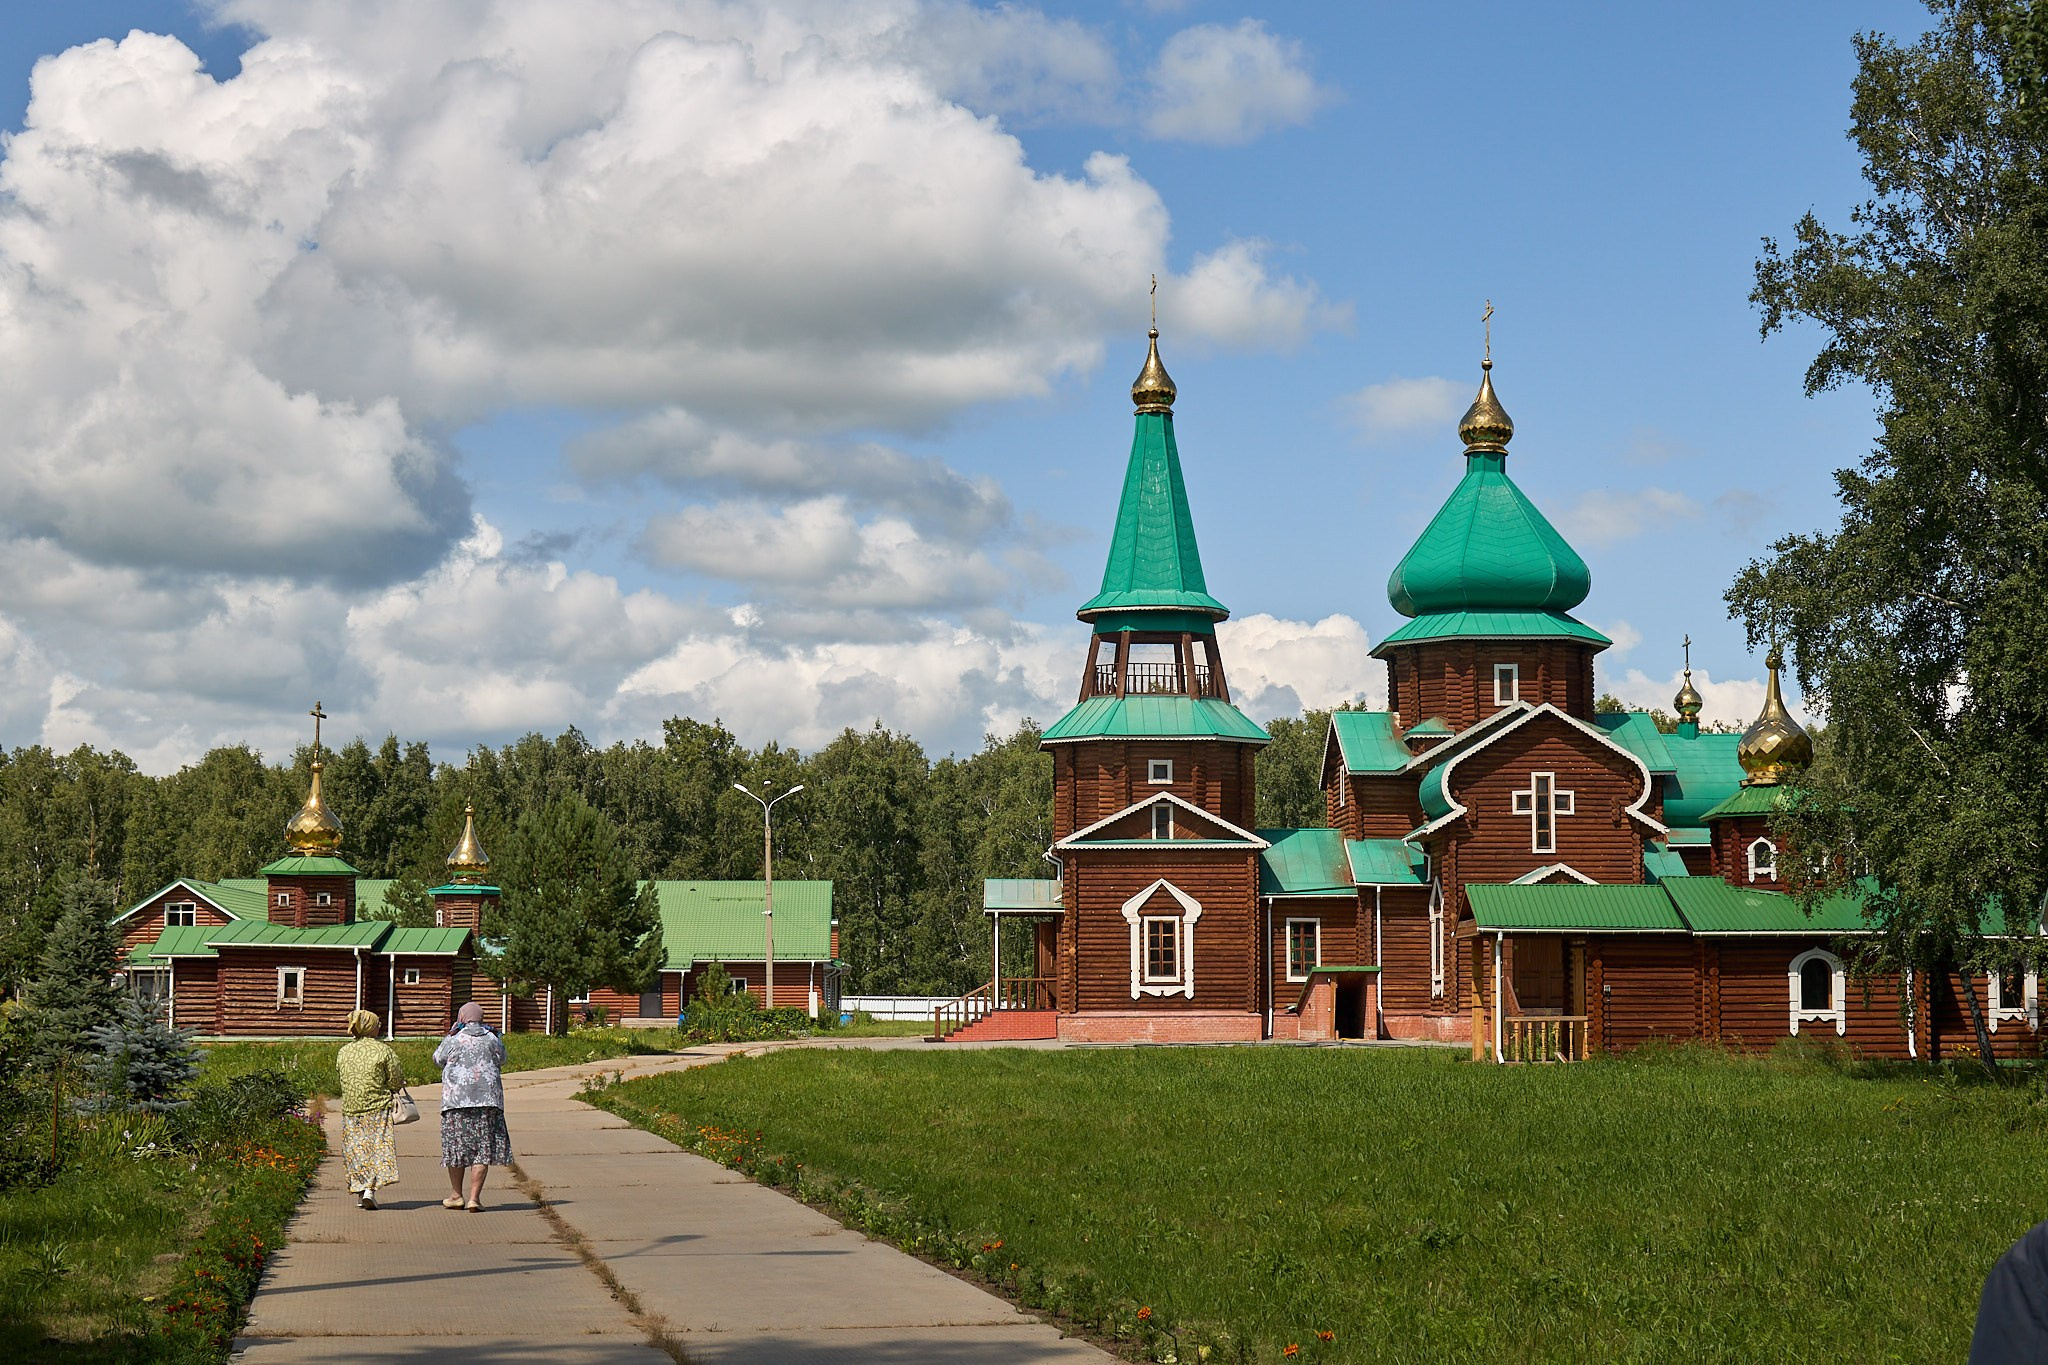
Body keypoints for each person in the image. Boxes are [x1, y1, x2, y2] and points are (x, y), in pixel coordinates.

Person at [432, 1000, 511, 1211]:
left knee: (457, 1148)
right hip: (488, 1102)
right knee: (482, 1149)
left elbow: (438, 1059)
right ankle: (474, 1199)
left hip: (456, 1102)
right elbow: (502, 1059)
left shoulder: (454, 1039)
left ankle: (456, 1195)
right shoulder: (493, 1038)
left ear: (461, 1017)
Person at [336, 1009, 404, 1210]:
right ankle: (369, 1191)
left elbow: (341, 1075)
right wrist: (393, 1088)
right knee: (376, 1148)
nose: (379, 1027)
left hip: (351, 1108)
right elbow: (395, 1077)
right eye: (377, 1024)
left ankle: (360, 1191)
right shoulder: (383, 1050)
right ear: (370, 1027)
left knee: (356, 1150)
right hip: (377, 1107)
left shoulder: (344, 1051)